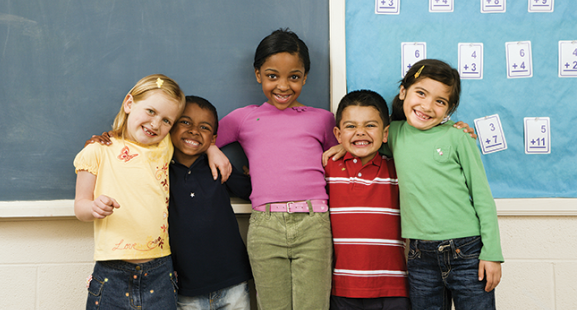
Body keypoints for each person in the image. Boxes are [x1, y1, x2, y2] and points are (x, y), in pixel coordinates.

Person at [206, 29, 338, 309]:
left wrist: (342, 149)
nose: (283, 86)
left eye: (294, 77)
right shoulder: (243, 118)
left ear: (305, 77)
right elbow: (198, 139)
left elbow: (340, 156)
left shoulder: (323, 120)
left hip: (314, 223)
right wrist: (212, 148)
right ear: (258, 75)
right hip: (266, 226)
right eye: (272, 76)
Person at [387, 59, 503, 310]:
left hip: (467, 251)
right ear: (403, 91)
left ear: (449, 109)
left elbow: (482, 196)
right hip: (420, 255)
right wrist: (344, 143)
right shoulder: (393, 133)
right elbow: (364, 137)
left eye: (440, 101)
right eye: (421, 93)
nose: (427, 106)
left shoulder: (458, 136)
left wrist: (492, 253)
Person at [74, 74, 186, 310]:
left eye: (167, 120)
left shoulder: (164, 146)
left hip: (160, 268)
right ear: (129, 103)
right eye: (151, 111)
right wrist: (94, 207)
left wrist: (214, 149)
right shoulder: (97, 150)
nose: (156, 124)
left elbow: (198, 136)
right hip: (111, 272)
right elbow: (80, 207)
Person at [326, 90, 410, 310]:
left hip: (393, 289)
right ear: (338, 133)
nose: (360, 133)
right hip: (342, 289)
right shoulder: (327, 168)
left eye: (370, 125)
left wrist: (454, 128)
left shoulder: (399, 169)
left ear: (385, 133)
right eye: (351, 126)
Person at [168, 96, 252, 310]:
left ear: (213, 138)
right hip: (186, 289)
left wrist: (256, 171)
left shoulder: (217, 166)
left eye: (204, 127)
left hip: (232, 281)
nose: (194, 131)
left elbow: (251, 190)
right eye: (185, 122)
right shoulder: (160, 171)